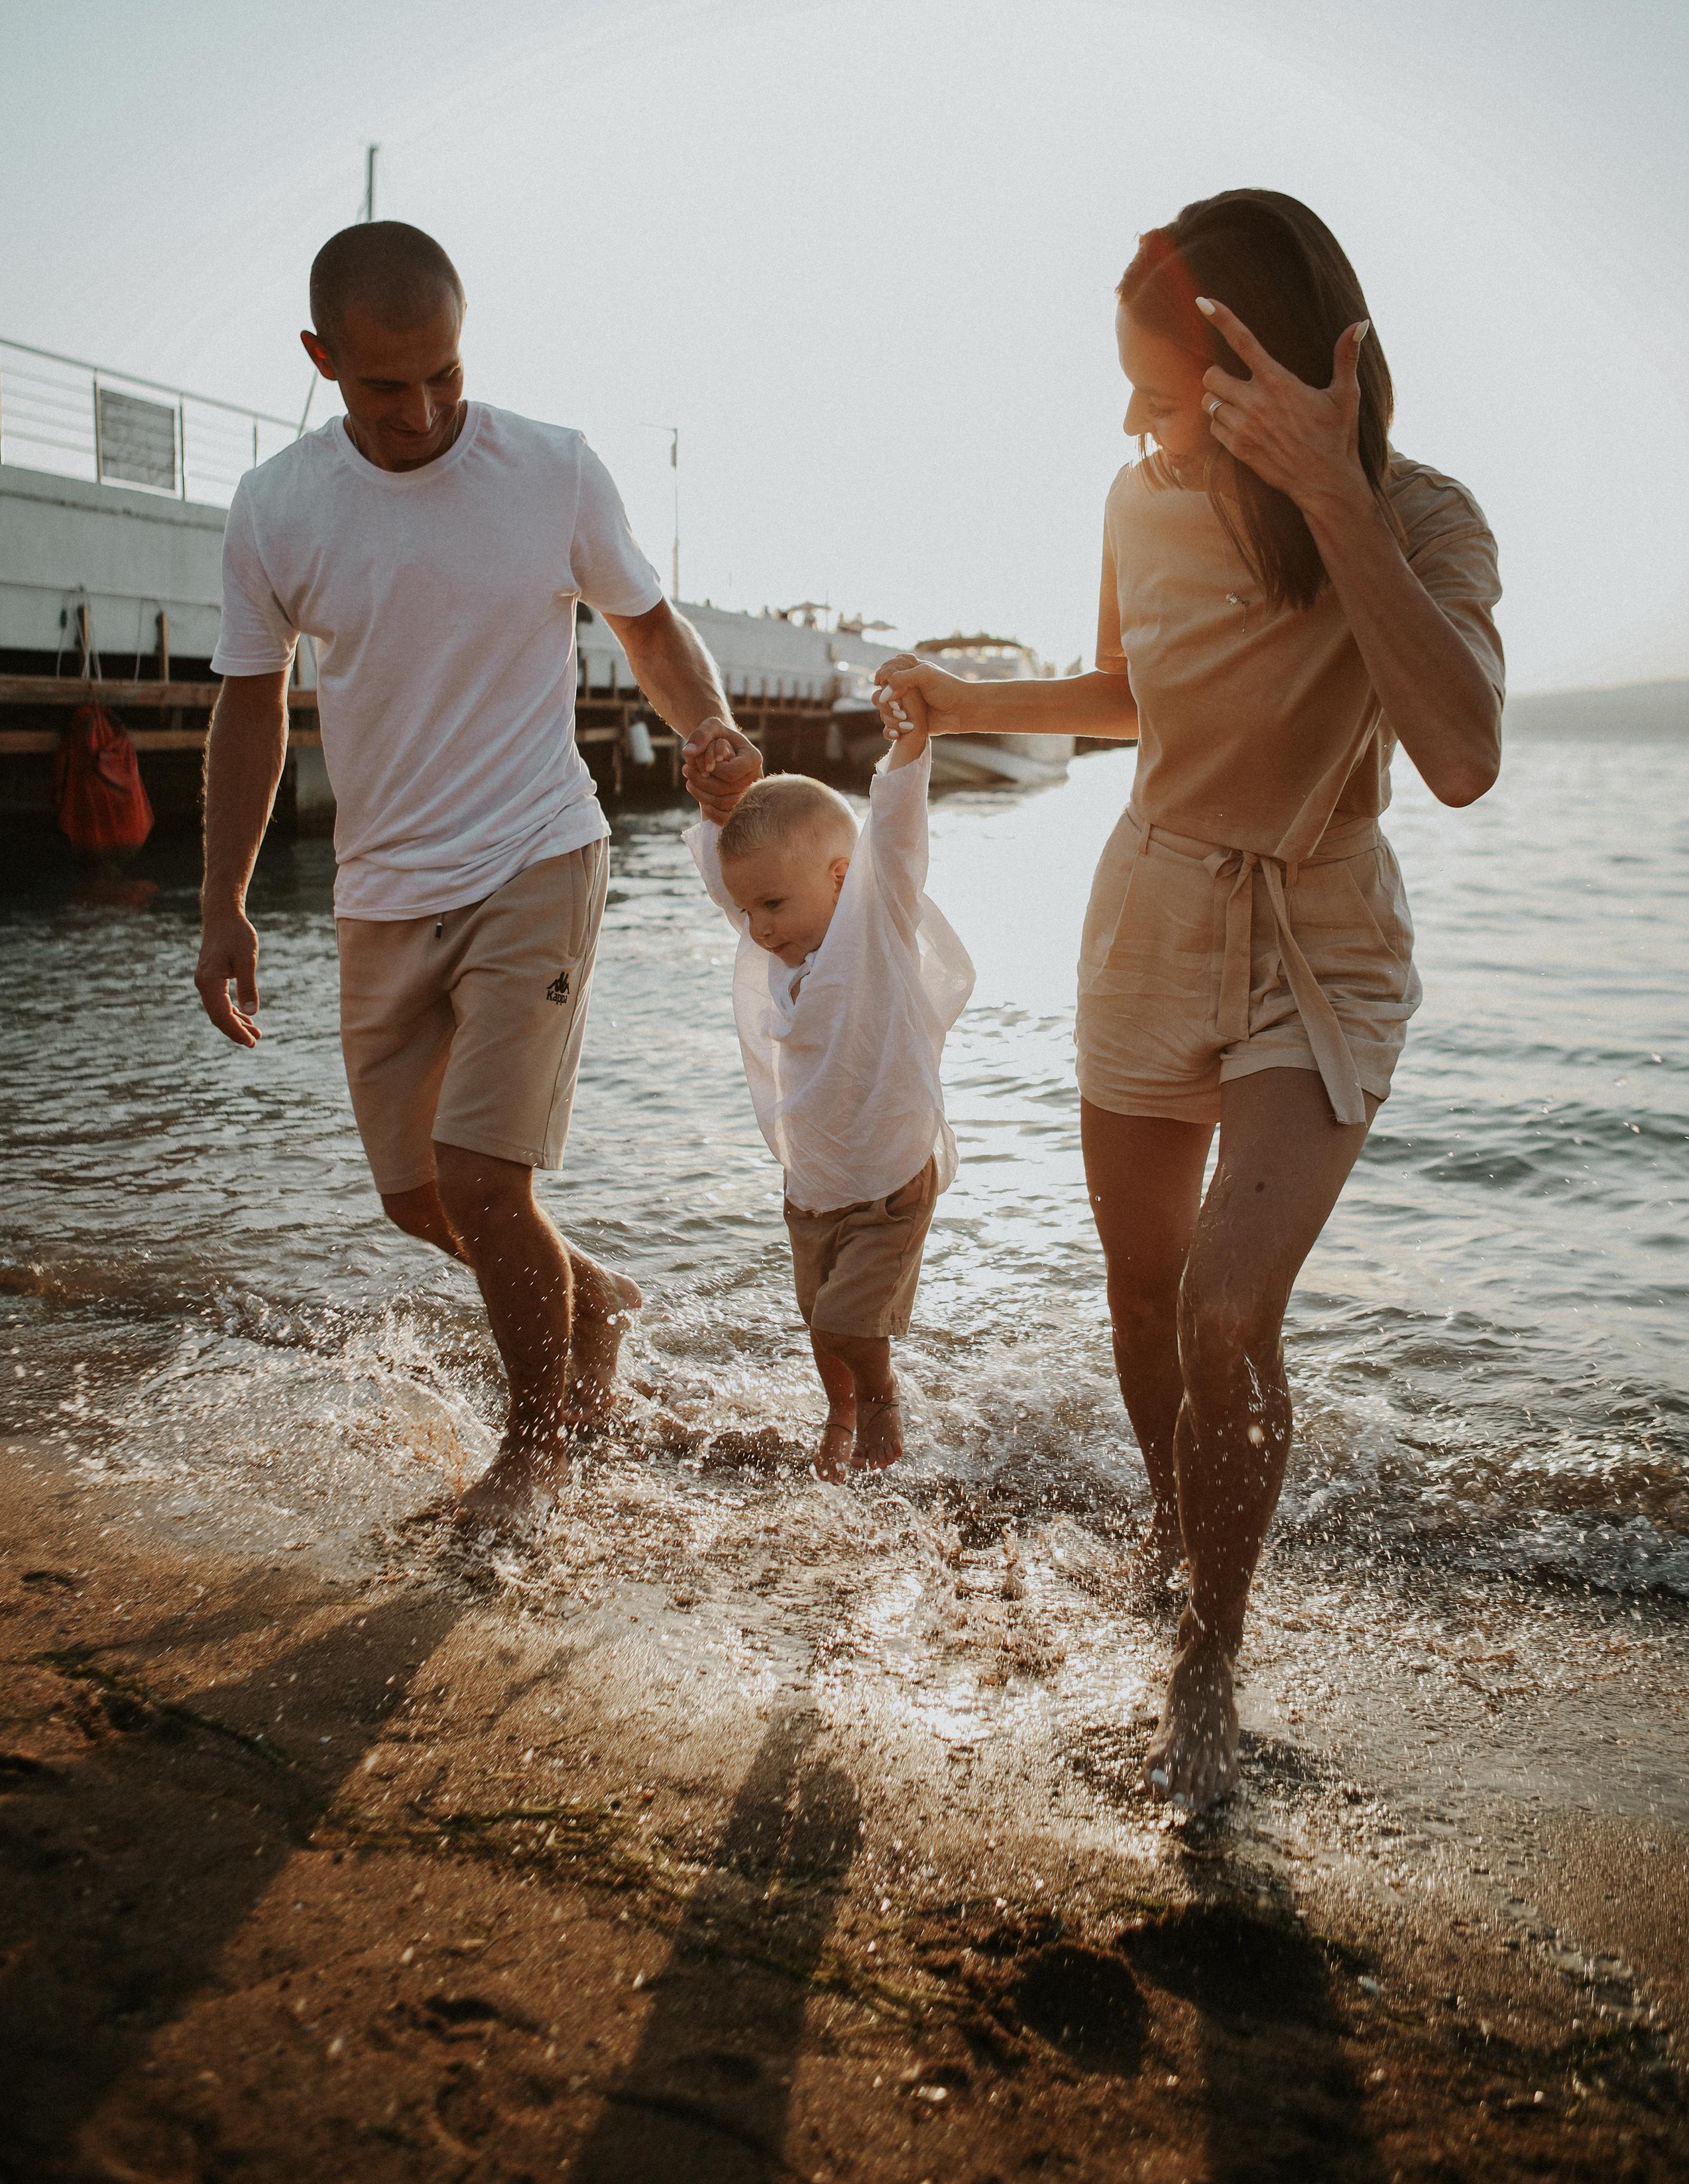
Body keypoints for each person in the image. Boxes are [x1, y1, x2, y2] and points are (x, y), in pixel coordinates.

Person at [874, 189, 1503, 1812]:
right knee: (1147, 1299)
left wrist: (1328, 496)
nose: (1135, 423)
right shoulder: (1134, 497)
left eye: (1161, 391)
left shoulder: (1426, 520)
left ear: (1260, 373)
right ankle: (1174, 1533)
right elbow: (1125, 689)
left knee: (1229, 1310)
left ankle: (1204, 1661)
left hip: (1319, 934)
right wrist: (963, 698)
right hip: (1149, 912)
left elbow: (1457, 756)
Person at [194, 221, 760, 1529]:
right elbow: (247, 709)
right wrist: (222, 903)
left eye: (444, 373)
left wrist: (712, 733)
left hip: (536, 852)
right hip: (382, 890)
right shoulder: (278, 507)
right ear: (320, 359)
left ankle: (532, 1458)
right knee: (415, 1200)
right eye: (386, 385)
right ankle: (593, 1304)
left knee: (482, 1181)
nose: (425, 408)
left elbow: (648, 626)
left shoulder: (549, 471)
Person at [684, 685, 974, 1480]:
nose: (761, 926)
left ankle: (879, 1398)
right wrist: (717, 799)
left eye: (774, 905)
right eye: (750, 914)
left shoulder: (873, 926)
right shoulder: (770, 945)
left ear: (843, 879)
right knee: (820, 1321)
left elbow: (898, 833)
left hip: (888, 1175)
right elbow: (730, 869)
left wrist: (909, 746)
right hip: (813, 1182)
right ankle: (841, 1409)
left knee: (850, 1320)